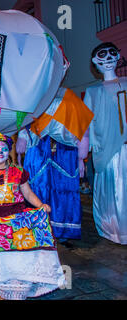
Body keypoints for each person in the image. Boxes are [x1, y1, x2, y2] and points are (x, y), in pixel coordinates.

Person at [0, 133, 65, 300]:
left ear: (8, 151)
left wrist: (40, 205)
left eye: (4, 149)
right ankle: (2, 292)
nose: (0, 152)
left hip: (17, 221)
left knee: (18, 259)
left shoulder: (18, 171)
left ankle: (18, 290)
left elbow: (27, 193)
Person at [16, 87, 93, 245]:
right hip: (39, 150)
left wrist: (81, 154)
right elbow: (24, 122)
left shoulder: (70, 99)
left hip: (64, 152)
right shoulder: (34, 96)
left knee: (63, 190)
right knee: (37, 189)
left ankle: (63, 229)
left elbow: (82, 126)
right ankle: (39, 226)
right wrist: (22, 140)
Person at [84, 42, 127, 244]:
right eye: (103, 54)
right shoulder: (93, 91)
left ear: (118, 56)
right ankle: (115, 231)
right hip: (107, 149)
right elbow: (87, 123)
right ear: (95, 61)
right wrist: (87, 148)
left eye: (112, 53)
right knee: (113, 188)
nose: (108, 58)